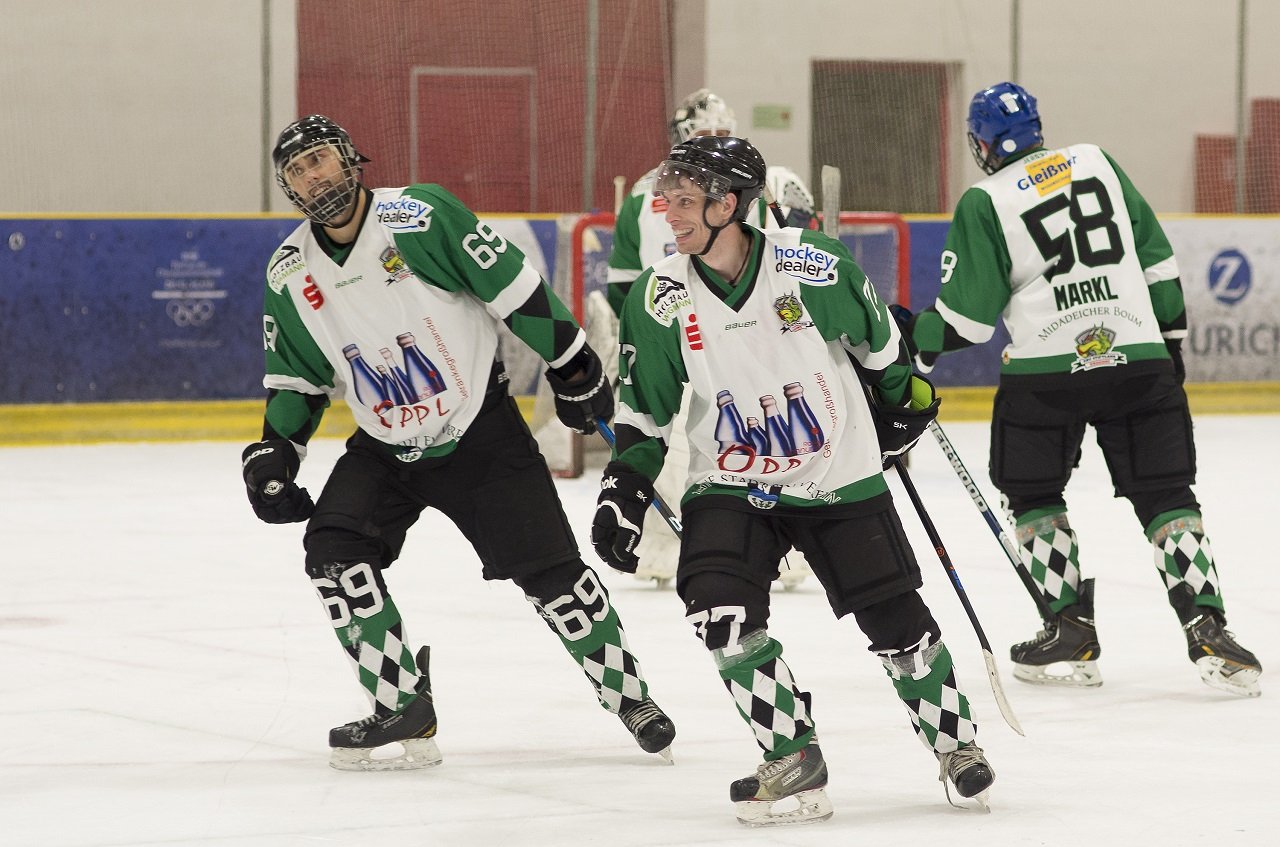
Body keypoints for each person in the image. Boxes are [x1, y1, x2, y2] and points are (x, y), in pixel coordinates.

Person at [240, 114, 677, 771]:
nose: (314, 177)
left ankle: (630, 696)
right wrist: (277, 450)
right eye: (298, 171)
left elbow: (515, 290)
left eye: (321, 159)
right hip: (386, 446)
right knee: (333, 552)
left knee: (554, 578)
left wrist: (573, 364)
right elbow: (297, 379)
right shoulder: (288, 271)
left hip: (481, 435)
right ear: (289, 188)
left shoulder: (419, 217)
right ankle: (400, 704)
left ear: (350, 158)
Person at [591, 135, 995, 826]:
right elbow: (645, 411)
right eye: (669, 199)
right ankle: (792, 753)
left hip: (836, 470)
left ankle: (955, 744)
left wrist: (904, 404)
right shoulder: (659, 296)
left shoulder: (814, 267)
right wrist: (625, 487)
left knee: (897, 625)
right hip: (730, 477)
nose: (671, 214)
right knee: (718, 610)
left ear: (730, 205)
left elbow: (883, 353)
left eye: (685, 200)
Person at [905, 82, 1261, 698]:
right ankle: (1208, 628)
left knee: (1033, 493)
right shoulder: (1096, 160)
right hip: (1138, 360)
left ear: (982, 144)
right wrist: (1169, 344)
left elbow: (966, 323)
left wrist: (908, 335)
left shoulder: (985, 200)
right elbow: (1157, 262)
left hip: (1046, 375)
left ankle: (1069, 628)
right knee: (1166, 494)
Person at [605, 87, 816, 590]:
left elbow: (792, 259)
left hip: (745, 340)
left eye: (723, 134)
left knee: (765, 439)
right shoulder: (644, 198)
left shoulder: (751, 187)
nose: (716, 143)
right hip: (683, 339)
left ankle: (780, 541)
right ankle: (664, 544)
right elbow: (623, 285)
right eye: (706, 134)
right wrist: (648, 338)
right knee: (674, 442)